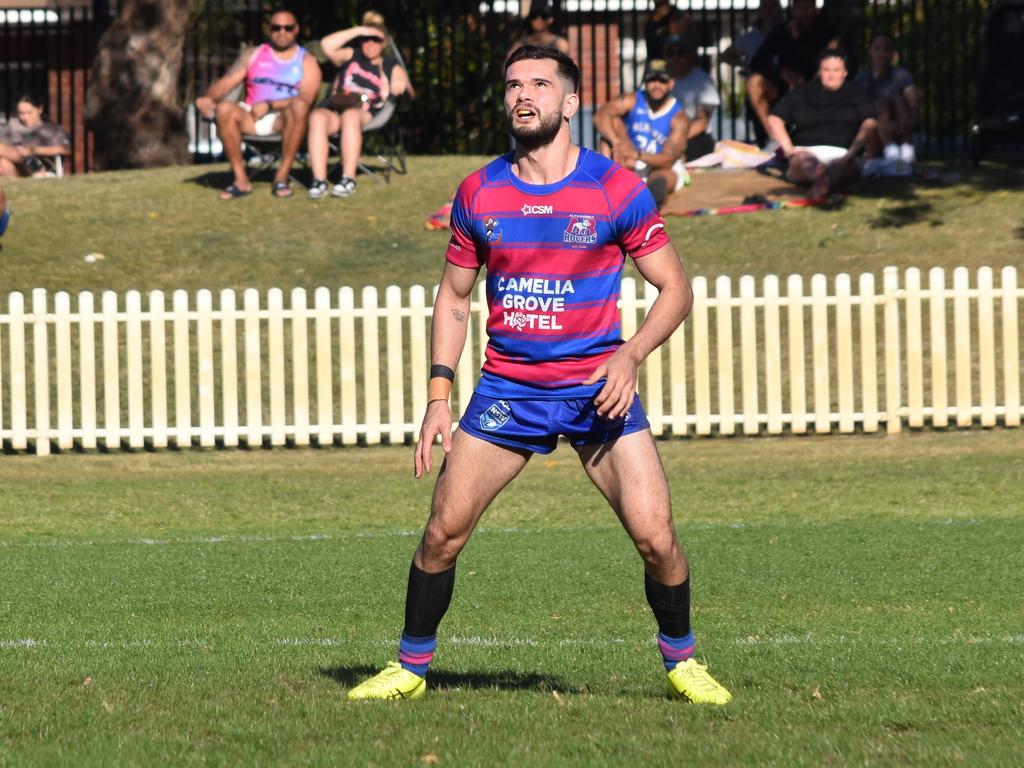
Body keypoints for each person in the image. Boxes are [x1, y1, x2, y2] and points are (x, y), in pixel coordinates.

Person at [346, 44, 732, 706]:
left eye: (540, 84)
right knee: (442, 533)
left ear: (571, 103)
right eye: (514, 85)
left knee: (657, 539)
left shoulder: (617, 188)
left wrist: (631, 353)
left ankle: (683, 662)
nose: (524, 94)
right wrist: (440, 396)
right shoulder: (479, 191)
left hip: (595, 391)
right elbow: (455, 298)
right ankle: (410, 668)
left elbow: (675, 290)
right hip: (508, 390)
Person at [194, 7, 321, 200]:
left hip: (284, 118)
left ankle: (281, 177)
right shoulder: (253, 54)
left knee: (300, 107)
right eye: (276, 28)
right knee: (224, 109)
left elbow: (306, 98)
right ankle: (241, 180)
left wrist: (270, 105)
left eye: (288, 28)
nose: (282, 32)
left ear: (296, 30)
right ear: (269, 30)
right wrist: (208, 99)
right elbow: (227, 82)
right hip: (251, 115)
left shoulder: (306, 61)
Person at [307, 12, 410, 199]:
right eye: (365, 39)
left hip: (364, 112)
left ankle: (348, 179)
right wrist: (358, 30)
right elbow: (325, 46)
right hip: (334, 109)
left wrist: (399, 81)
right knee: (316, 117)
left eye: (375, 39)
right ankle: (319, 180)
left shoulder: (389, 64)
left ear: (384, 42)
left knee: (351, 116)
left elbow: (404, 83)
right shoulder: (351, 55)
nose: (370, 43)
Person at [768, 50, 878, 201]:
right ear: (819, 72)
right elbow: (775, 118)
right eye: (826, 70)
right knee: (805, 162)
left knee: (839, 168)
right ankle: (822, 180)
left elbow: (870, 121)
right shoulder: (802, 93)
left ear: (845, 72)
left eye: (836, 70)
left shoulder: (857, 94)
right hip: (805, 152)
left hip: (844, 154)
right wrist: (789, 150)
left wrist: (851, 153)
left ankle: (823, 182)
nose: (831, 75)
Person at [594, 59, 690, 207]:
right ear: (645, 81)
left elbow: (667, 160)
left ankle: (649, 203)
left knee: (661, 179)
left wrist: (637, 155)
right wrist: (615, 141)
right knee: (613, 123)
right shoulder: (633, 99)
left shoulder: (680, 117)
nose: (657, 85)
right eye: (652, 79)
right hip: (629, 162)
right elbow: (601, 115)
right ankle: (605, 182)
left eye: (662, 81)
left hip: (659, 167)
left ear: (671, 83)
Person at [747, 0, 839, 145]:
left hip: (817, 87)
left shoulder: (826, 31)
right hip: (785, 90)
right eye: (799, 8)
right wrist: (780, 71)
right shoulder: (781, 31)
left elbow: (831, 60)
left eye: (807, 8)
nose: (803, 13)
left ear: (815, 9)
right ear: (792, 10)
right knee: (754, 82)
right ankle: (774, 138)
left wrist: (798, 40)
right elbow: (757, 63)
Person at [719, 0, 784, 146]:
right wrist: (747, 65)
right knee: (755, 85)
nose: (771, 11)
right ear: (760, 11)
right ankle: (772, 140)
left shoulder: (788, 31)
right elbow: (724, 56)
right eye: (766, 7)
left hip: (784, 88)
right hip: (760, 87)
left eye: (774, 6)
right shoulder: (751, 37)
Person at [853, 32, 917, 167]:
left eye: (887, 49)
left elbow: (912, 102)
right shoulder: (862, 78)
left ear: (893, 53)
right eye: (877, 48)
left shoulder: (902, 76)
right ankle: (891, 151)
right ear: (870, 51)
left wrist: (905, 123)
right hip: (874, 128)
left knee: (897, 98)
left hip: (899, 125)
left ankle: (904, 148)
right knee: (881, 104)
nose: (882, 53)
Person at [664, 35, 721, 161]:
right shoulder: (659, 81)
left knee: (675, 157)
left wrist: (674, 140)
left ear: (690, 55)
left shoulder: (702, 81)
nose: (676, 57)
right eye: (671, 53)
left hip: (693, 136)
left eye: (680, 53)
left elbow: (702, 122)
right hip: (661, 135)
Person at [0, 95, 71, 178]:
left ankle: (34, 165)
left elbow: (66, 149)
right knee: (4, 163)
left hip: (43, 165)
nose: (25, 117)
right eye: (21, 113)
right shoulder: (11, 127)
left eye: (29, 113)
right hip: (17, 168)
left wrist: (32, 150)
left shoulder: (52, 130)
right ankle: (32, 165)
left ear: (40, 109)